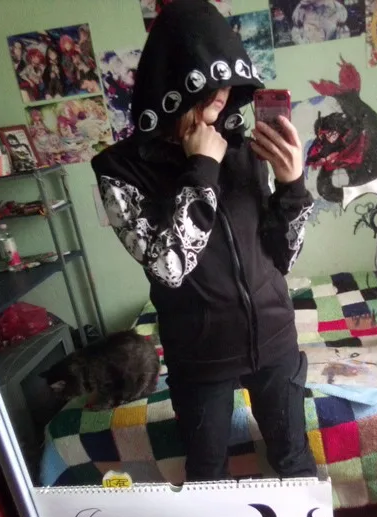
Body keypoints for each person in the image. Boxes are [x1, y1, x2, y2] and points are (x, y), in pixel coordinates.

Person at [92, 0, 317, 481]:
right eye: (211, 88)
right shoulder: (119, 170)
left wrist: (293, 185)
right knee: (207, 473)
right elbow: (168, 267)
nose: (222, 100)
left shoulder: (243, 146)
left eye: (229, 88)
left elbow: (283, 257)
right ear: (173, 84)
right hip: (199, 354)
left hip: (274, 338)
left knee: (294, 461)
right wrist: (202, 170)